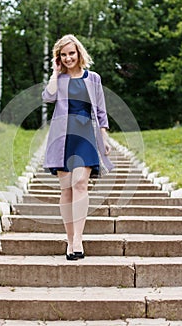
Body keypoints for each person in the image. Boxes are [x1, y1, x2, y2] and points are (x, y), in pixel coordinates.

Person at [42, 34, 114, 260]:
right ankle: (69, 238)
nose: (68, 58)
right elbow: (48, 97)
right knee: (66, 190)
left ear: (79, 53)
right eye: (63, 55)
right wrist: (54, 73)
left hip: (85, 135)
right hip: (62, 137)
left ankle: (78, 239)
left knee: (80, 183)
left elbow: (101, 109)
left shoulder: (93, 78)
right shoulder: (59, 78)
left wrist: (104, 136)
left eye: (71, 53)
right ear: (59, 58)